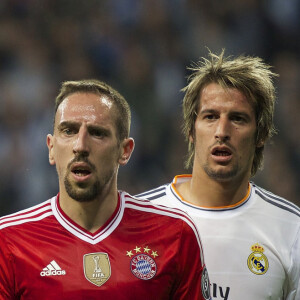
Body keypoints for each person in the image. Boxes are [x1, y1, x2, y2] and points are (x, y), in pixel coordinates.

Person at [0, 79, 211, 300]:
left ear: (125, 151)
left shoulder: (175, 235)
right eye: (69, 131)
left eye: (97, 133)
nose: (80, 146)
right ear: (51, 148)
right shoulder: (9, 242)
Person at [136, 51, 300, 299]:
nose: (222, 131)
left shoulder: (291, 230)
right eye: (210, 117)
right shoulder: (137, 218)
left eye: (238, 118)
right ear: (191, 129)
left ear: (261, 134)